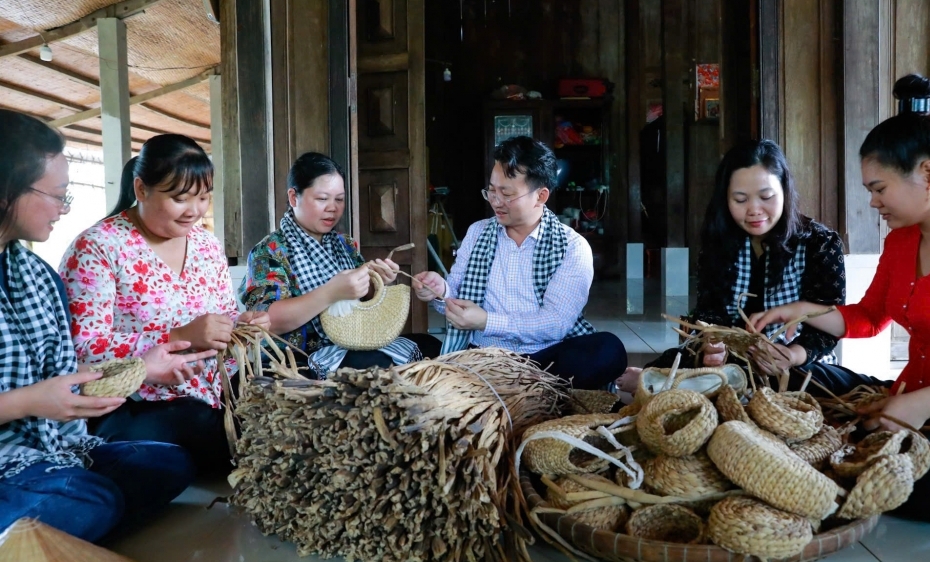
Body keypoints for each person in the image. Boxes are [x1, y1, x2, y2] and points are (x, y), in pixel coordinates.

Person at [752, 74, 930, 526]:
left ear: (928, 175)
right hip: (909, 397)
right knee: (790, 380)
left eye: (879, 188)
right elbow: (869, 318)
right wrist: (806, 310)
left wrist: (923, 405)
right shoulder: (902, 241)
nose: (873, 203)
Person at [0, 109, 215, 541]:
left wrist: (144, 367)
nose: (64, 208)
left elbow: (65, 376)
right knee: (89, 500)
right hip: (13, 451)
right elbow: (72, 361)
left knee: (167, 464)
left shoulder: (34, 275)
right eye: (57, 195)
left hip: (48, 445)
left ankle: (53, 516)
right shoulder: (98, 246)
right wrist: (25, 402)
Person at [58, 134, 269, 475]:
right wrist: (178, 336)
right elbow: (81, 348)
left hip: (213, 392)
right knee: (183, 437)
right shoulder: (98, 247)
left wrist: (240, 326)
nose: (195, 211)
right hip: (134, 403)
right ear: (141, 189)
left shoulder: (206, 246)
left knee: (280, 405)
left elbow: (223, 315)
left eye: (203, 197)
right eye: (180, 198)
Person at [616, 140, 846, 393]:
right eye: (740, 199)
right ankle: (680, 381)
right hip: (734, 357)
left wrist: (792, 355)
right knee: (692, 364)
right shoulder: (719, 242)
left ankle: (669, 384)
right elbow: (709, 313)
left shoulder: (820, 244)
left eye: (766, 197)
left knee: (809, 381)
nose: (754, 210)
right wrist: (711, 345)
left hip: (798, 362)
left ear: (785, 191)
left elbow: (829, 328)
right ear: (725, 199)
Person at [412, 136, 626, 390]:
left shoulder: (571, 246)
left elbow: (556, 323)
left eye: (506, 194)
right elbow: (456, 296)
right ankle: (520, 392)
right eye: (491, 190)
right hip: (481, 355)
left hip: (545, 360)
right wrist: (439, 291)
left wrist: (487, 321)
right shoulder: (478, 232)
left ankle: (512, 390)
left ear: (540, 196)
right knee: (409, 346)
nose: (495, 201)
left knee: (607, 350)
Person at [240, 152, 440, 377]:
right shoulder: (269, 251)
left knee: (430, 345)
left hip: (350, 343)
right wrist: (330, 293)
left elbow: (362, 302)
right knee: (373, 364)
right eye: (322, 199)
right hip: (297, 359)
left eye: (339, 199)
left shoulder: (345, 245)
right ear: (294, 197)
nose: (333, 208)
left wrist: (376, 284)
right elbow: (267, 320)